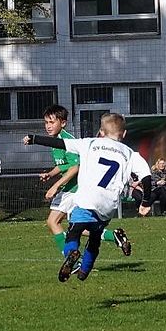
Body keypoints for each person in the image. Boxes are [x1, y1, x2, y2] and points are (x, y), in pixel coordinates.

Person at [24, 113, 153, 281]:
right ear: (124, 133)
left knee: (75, 231)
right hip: (108, 204)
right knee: (94, 238)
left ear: (101, 132)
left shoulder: (90, 143)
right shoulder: (130, 154)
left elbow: (60, 143)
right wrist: (145, 202)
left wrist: (34, 139)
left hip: (87, 198)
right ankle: (84, 271)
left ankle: (72, 253)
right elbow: (147, 178)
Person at [36, 105, 131, 256]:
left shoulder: (66, 140)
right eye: (46, 122)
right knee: (79, 227)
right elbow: (65, 165)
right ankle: (114, 236)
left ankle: (71, 259)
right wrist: (51, 173)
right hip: (74, 188)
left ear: (63, 123)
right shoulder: (56, 140)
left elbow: (75, 167)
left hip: (75, 188)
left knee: (53, 222)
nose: (48, 126)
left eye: (52, 122)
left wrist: (55, 186)